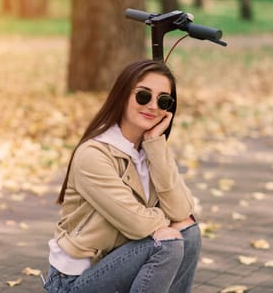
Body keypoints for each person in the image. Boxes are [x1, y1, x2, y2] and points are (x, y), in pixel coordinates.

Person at [43, 60, 201, 293]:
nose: (152, 106)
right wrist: (164, 222)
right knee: (166, 243)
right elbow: (136, 223)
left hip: (118, 265)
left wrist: (156, 145)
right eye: (143, 96)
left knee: (189, 233)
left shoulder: (149, 149)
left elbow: (180, 213)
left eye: (163, 100)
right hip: (74, 282)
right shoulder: (93, 154)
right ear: (123, 95)